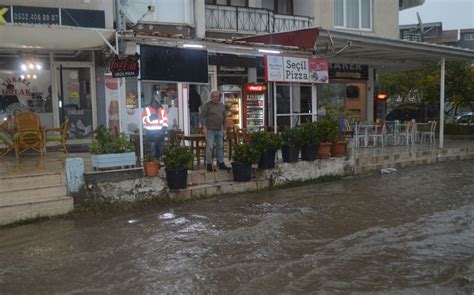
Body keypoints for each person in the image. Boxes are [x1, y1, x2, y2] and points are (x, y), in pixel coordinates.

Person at [200, 89, 230, 172]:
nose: (215, 98)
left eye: (217, 97)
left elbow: (224, 118)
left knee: (220, 146)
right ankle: (209, 164)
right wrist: (204, 126)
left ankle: (221, 163)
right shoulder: (207, 105)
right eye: (213, 97)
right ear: (211, 97)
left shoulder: (221, 105)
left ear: (219, 97)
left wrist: (224, 129)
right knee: (210, 146)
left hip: (219, 129)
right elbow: (202, 117)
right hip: (210, 130)